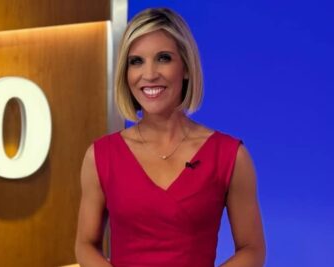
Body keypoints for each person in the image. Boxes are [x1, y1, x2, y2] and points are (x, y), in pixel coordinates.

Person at [75, 8, 265, 267]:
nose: (149, 74)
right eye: (136, 61)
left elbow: (252, 249)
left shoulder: (230, 156)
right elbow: (85, 245)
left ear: (186, 68)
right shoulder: (100, 156)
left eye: (163, 58)